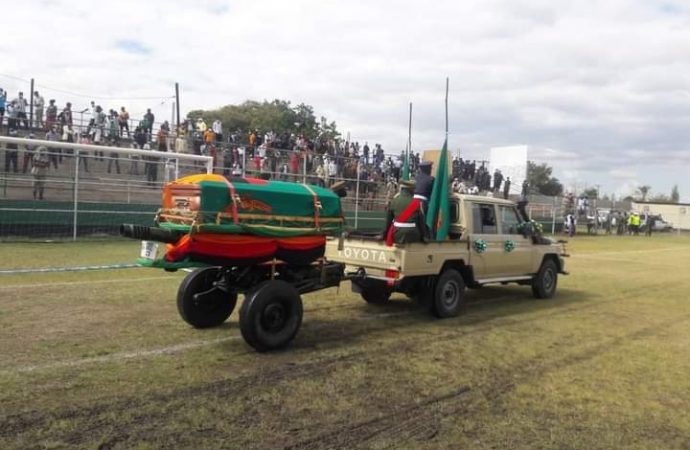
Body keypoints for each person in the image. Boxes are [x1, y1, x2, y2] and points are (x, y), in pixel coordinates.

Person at [385, 179, 423, 244]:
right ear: (411, 190)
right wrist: (424, 236)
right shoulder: (417, 203)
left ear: (401, 189)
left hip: (397, 234)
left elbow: (388, 221)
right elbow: (421, 223)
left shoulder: (394, 201)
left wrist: (384, 234)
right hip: (413, 234)